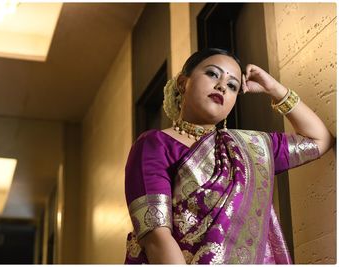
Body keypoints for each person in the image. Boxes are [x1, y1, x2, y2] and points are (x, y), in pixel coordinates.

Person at [123, 48, 335, 264]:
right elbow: (156, 237)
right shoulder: (154, 144)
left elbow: (318, 140)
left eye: (233, 85)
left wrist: (274, 88)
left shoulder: (250, 148)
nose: (222, 86)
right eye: (213, 74)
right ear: (182, 83)